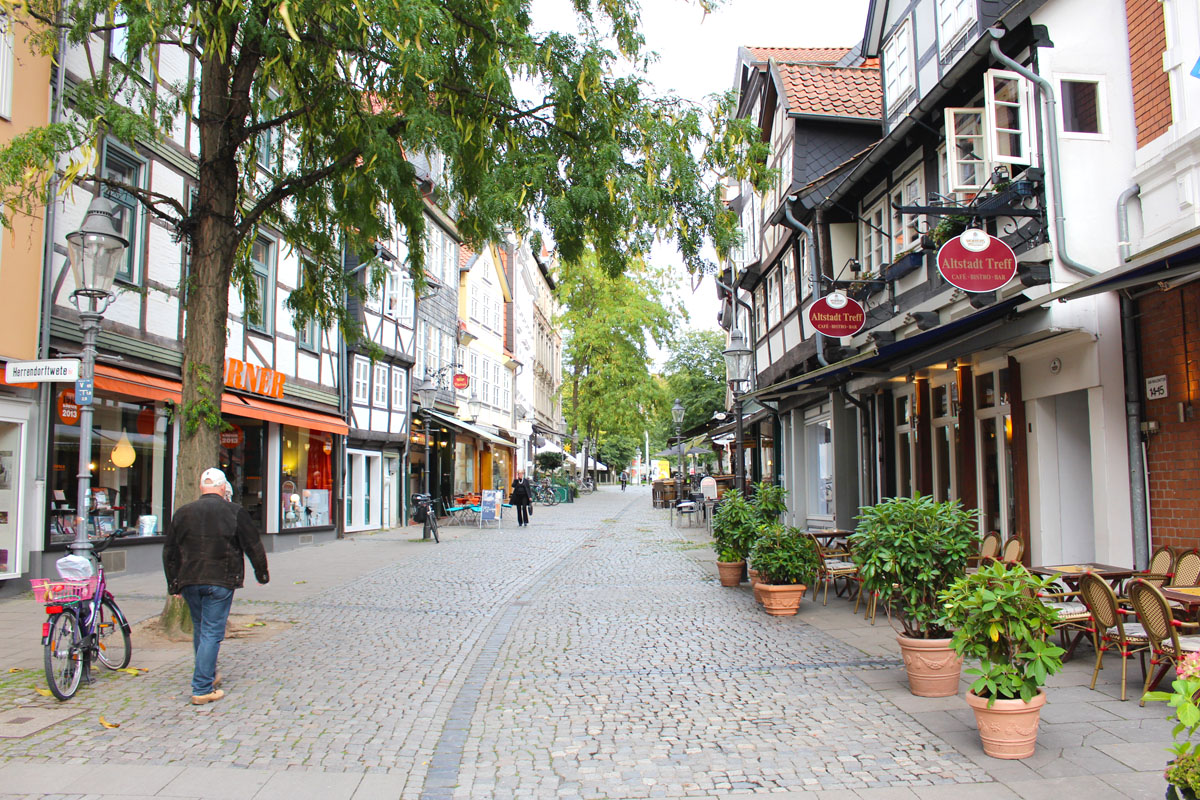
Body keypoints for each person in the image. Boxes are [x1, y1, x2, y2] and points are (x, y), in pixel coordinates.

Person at [163, 468, 269, 705]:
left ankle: (209, 675)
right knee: (212, 632)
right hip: (221, 579)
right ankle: (201, 687)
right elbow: (253, 545)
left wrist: (174, 583)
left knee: (202, 628)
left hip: (190, 579)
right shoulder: (234, 512)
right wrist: (261, 573)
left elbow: (170, 551)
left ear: (202, 487)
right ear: (223, 488)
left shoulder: (182, 513)